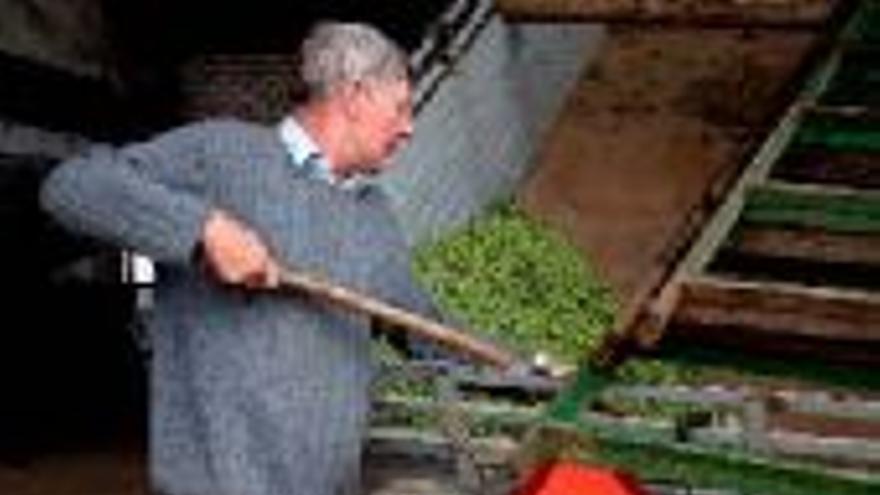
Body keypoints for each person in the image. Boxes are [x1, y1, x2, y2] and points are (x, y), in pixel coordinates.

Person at [41, 21, 444, 495]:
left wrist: (525, 373)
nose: (409, 128)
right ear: (355, 95)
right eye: (400, 109)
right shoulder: (222, 154)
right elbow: (70, 187)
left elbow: (425, 330)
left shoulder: (374, 218)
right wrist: (203, 228)